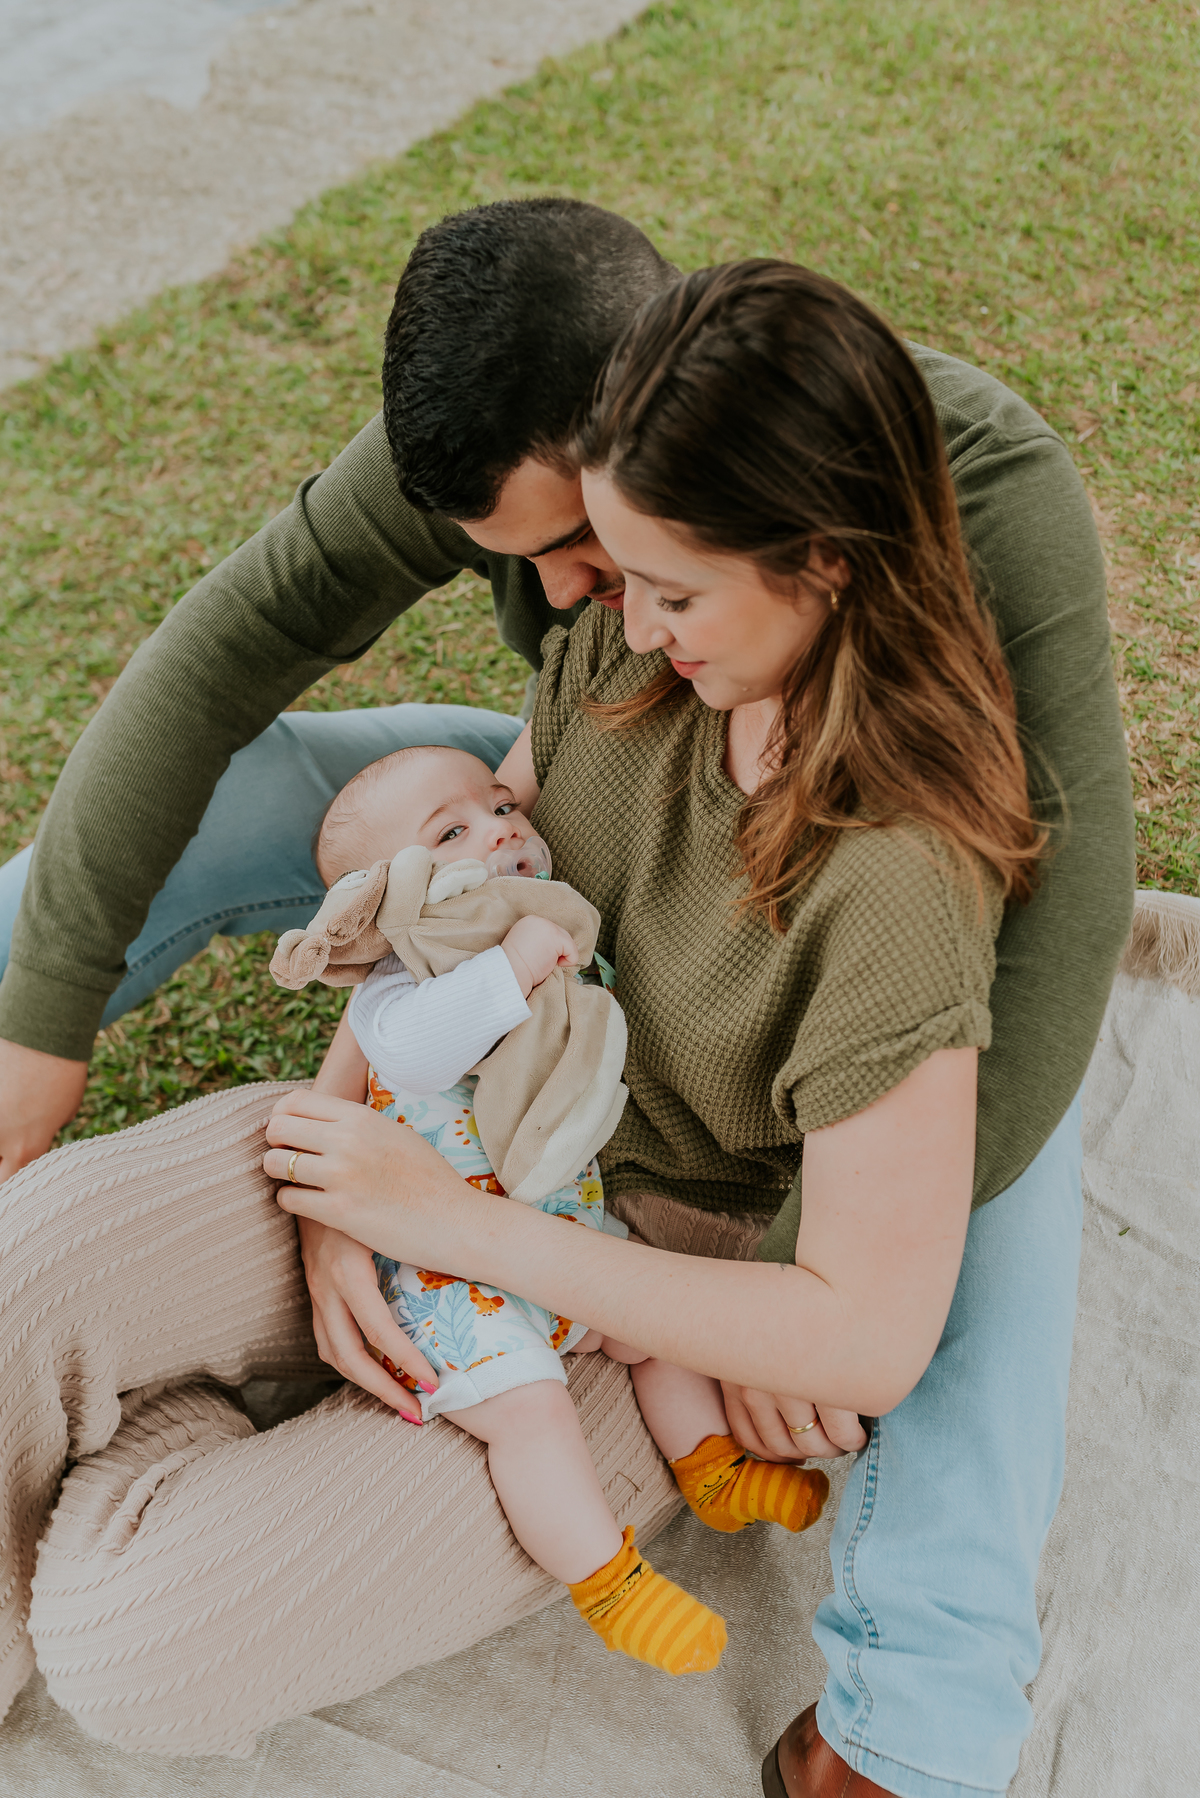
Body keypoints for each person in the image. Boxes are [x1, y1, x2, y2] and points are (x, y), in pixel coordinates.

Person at [0, 209, 1131, 1784]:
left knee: (138, 1635)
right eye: (590, 566)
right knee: (22, 1266)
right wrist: (343, 1167)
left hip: (624, 1272)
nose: (598, 607)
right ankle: (168, 1398)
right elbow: (450, 886)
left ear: (802, 550)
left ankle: (924, 1716)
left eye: (648, 579)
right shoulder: (616, 629)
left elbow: (876, 1299)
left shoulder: (899, 867)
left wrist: (480, 1234)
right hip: (436, 1128)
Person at [285, 742, 828, 1673]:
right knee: (531, 1411)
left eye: (501, 806)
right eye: (452, 832)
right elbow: (415, 1060)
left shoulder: (542, 932)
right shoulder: (396, 988)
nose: (499, 827)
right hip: (445, 1277)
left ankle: (710, 1466)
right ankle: (607, 1580)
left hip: (560, 1236)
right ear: (388, 898)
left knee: (650, 1327)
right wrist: (513, 969)